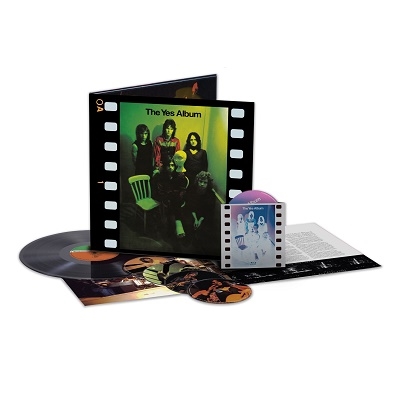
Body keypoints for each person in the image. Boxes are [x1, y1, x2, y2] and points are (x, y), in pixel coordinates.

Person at [184, 171, 215, 236]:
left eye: (205, 182)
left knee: (205, 229)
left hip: (204, 216)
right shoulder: (192, 190)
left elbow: (209, 210)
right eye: (200, 181)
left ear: (208, 184)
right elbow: (190, 206)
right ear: (197, 181)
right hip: (193, 213)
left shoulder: (210, 194)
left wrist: (200, 220)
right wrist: (195, 219)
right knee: (188, 223)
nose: (202, 184)